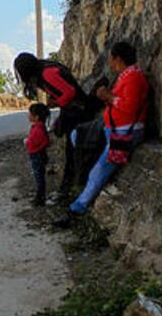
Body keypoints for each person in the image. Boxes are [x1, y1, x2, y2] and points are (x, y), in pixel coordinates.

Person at [54, 41, 149, 226]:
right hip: (113, 128)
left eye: (111, 59)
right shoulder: (126, 76)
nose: (110, 63)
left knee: (98, 171)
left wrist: (108, 97)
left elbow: (129, 107)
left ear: (117, 58)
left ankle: (77, 208)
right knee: (77, 136)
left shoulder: (134, 78)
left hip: (124, 133)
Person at [13, 52, 97, 196]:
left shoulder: (47, 73)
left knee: (72, 151)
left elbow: (70, 92)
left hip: (79, 111)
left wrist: (55, 102)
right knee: (68, 145)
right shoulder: (44, 70)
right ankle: (70, 184)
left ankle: (70, 187)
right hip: (73, 110)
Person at [25, 103, 51, 206]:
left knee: (39, 176)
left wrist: (27, 141)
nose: (28, 116)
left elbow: (33, 143)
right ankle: (40, 196)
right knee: (39, 176)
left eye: (30, 114)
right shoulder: (40, 127)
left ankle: (40, 197)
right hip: (40, 154)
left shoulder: (37, 129)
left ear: (36, 117)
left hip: (37, 155)